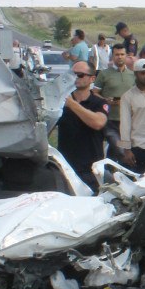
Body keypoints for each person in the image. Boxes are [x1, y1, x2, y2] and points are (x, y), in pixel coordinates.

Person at [56, 61, 110, 192]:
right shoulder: (60, 102)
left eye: (80, 75)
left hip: (90, 169)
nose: (75, 78)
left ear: (92, 78)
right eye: (72, 74)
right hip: (66, 167)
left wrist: (72, 104)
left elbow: (98, 123)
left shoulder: (99, 102)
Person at [94, 45, 137, 160]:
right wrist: (106, 101)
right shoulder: (104, 74)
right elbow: (94, 93)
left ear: (126, 56)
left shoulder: (133, 75)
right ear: (112, 56)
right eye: (117, 55)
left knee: (115, 152)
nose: (119, 57)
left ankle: (110, 172)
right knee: (121, 150)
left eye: (122, 54)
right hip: (110, 121)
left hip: (128, 122)